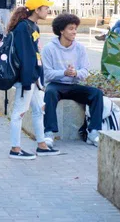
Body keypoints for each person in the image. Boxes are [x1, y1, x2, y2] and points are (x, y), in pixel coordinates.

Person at [7, 0, 60, 160]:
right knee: (19, 113)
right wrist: (27, 81)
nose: (48, 10)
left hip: (34, 78)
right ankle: (15, 149)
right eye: (45, 7)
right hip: (28, 78)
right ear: (37, 10)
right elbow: (25, 56)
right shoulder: (23, 28)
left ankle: (42, 145)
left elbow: (34, 53)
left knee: (38, 110)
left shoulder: (33, 26)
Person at [42, 13, 104, 147]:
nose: (74, 32)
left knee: (96, 93)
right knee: (50, 93)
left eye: (75, 28)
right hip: (56, 85)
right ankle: (49, 133)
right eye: (70, 28)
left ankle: (93, 132)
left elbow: (85, 71)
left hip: (74, 84)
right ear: (61, 30)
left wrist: (75, 73)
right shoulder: (49, 48)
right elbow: (47, 74)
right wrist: (63, 72)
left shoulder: (80, 48)